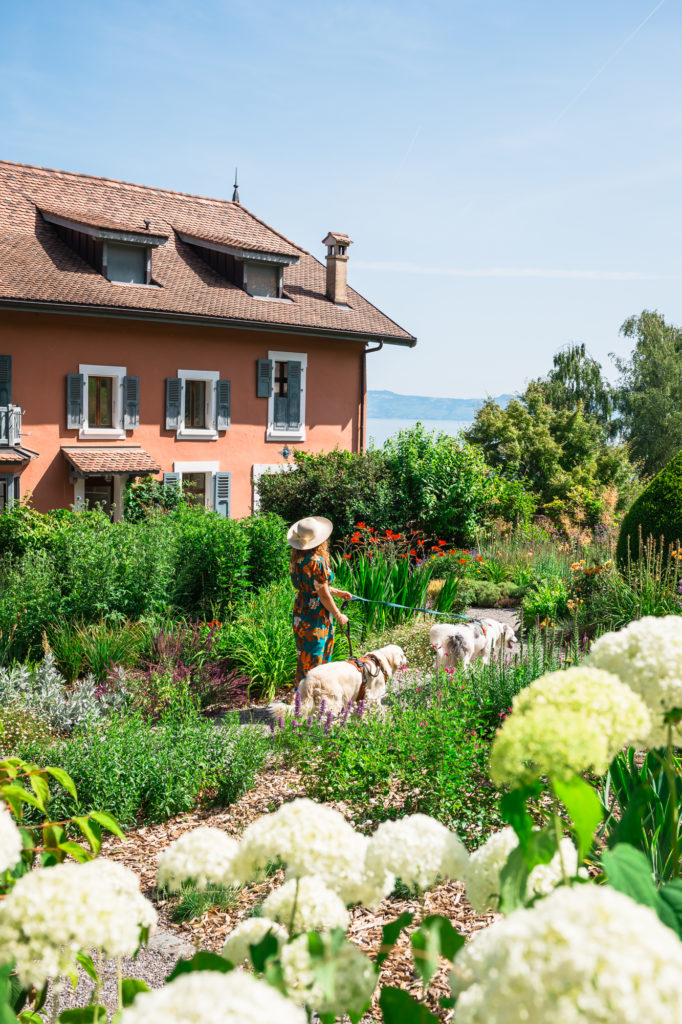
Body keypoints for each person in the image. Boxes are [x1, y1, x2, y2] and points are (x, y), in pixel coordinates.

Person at [287, 516, 352, 685]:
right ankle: (310, 699)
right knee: (317, 658)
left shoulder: (296, 561)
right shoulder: (317, 562)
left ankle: (298, 697)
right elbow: (322, 594)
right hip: (316, 615)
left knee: (305, 657)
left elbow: (314, 587)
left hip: (301, 612)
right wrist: (338, 615)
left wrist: (337, 592)